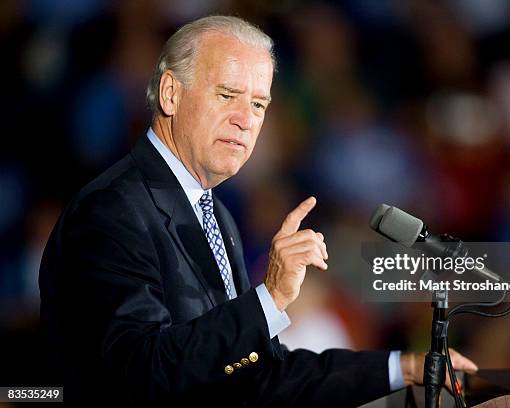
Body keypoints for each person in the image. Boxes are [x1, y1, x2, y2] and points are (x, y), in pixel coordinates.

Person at [39, 15, 477, 405]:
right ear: (171, 93)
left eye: (258, 104)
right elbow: (143, 375)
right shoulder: (112, 210)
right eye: (228, 95)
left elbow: (257, 377)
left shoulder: (214, 213)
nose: (246, 120)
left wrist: (404, 367)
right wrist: (270, 299)